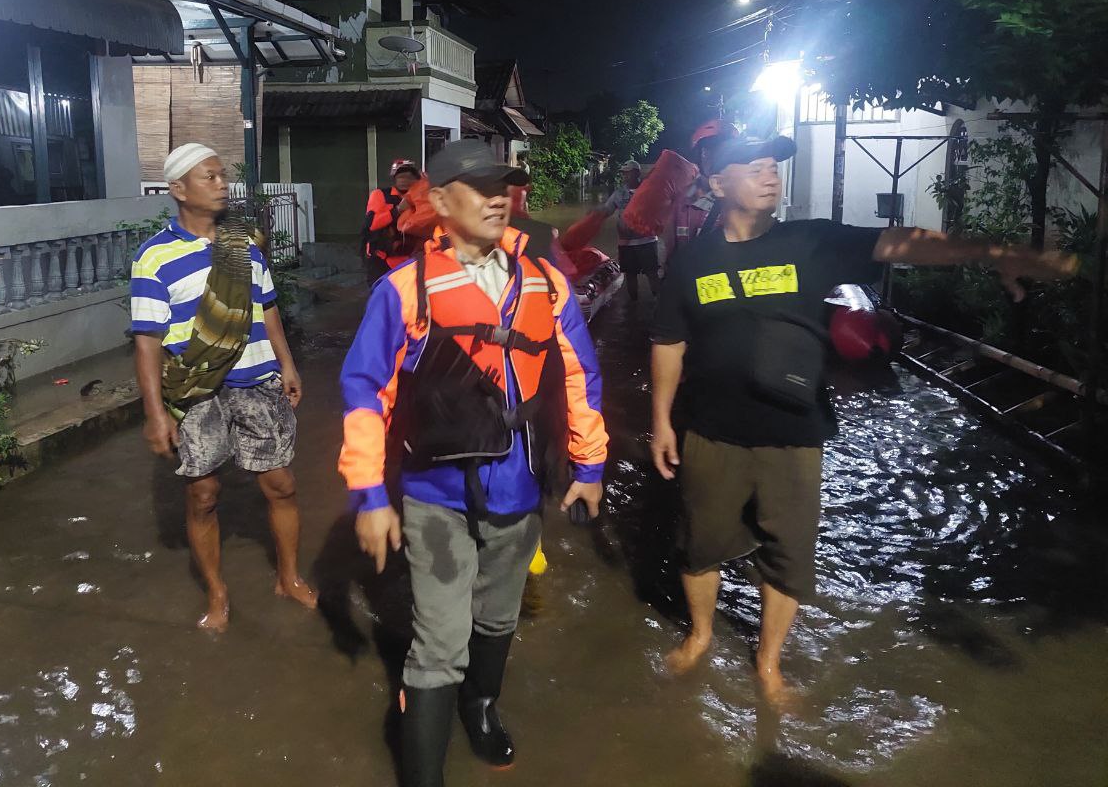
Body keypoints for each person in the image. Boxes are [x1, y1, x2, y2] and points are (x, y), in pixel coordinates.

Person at [649, 133, 1078, 706]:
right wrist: (661, 422)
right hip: (711, 431)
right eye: (753, 167)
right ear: (717, 183)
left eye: (774, 166)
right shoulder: (691, 261)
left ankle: (768, 664)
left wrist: (994, 252)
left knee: (789, 554)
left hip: (795, 436)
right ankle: (701, 635)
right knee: (701, 545)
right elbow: (669, 342)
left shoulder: (811, 240)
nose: (771, 175)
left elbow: (906, 244)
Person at [338, 139, 609, 787]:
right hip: (434, 493)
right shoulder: (405, 291)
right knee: (438, 639)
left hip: (518, 485)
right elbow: (363, 390)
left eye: (504, 186)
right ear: (437, 202)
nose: (497, 198)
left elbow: (579, 374)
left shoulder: (544, 280)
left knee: (497, 615)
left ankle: (480, 704)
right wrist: (369, 497)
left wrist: (590, 467)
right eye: (480, 185)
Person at [131, 142, 317, 633]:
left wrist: (289, 363)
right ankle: (217, 593)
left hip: (259, 381)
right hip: (197, 392)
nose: (222, 184)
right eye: (209, 177)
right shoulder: (153, 258)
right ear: (177, 189)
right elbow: (148, 342)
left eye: (221, 176)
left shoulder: (244, 245)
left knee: (281, 484)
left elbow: (269, 307)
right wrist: (155, 415)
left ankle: (289, 577)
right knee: (204, 496)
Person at [602, 159, 659, 301]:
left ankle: (660, 305)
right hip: (626, 243)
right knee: (630, 275)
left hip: (647, 241)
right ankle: (633, 309)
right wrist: (593, 216)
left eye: (629, 173)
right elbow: (606, 211)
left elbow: (661, 210)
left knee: (652, 274)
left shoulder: (649, 191)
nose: (625, 176)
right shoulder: (619, 193)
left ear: (637, 173)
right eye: (624, 173)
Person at [363, 159, 422, 283]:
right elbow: (371, 225)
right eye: (400, 176)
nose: (404, 180)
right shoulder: (381, 195)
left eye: (408, 177)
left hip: (410, 259)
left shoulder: (420, 197)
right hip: (382, 261)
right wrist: (398, 210)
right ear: (394, 178)